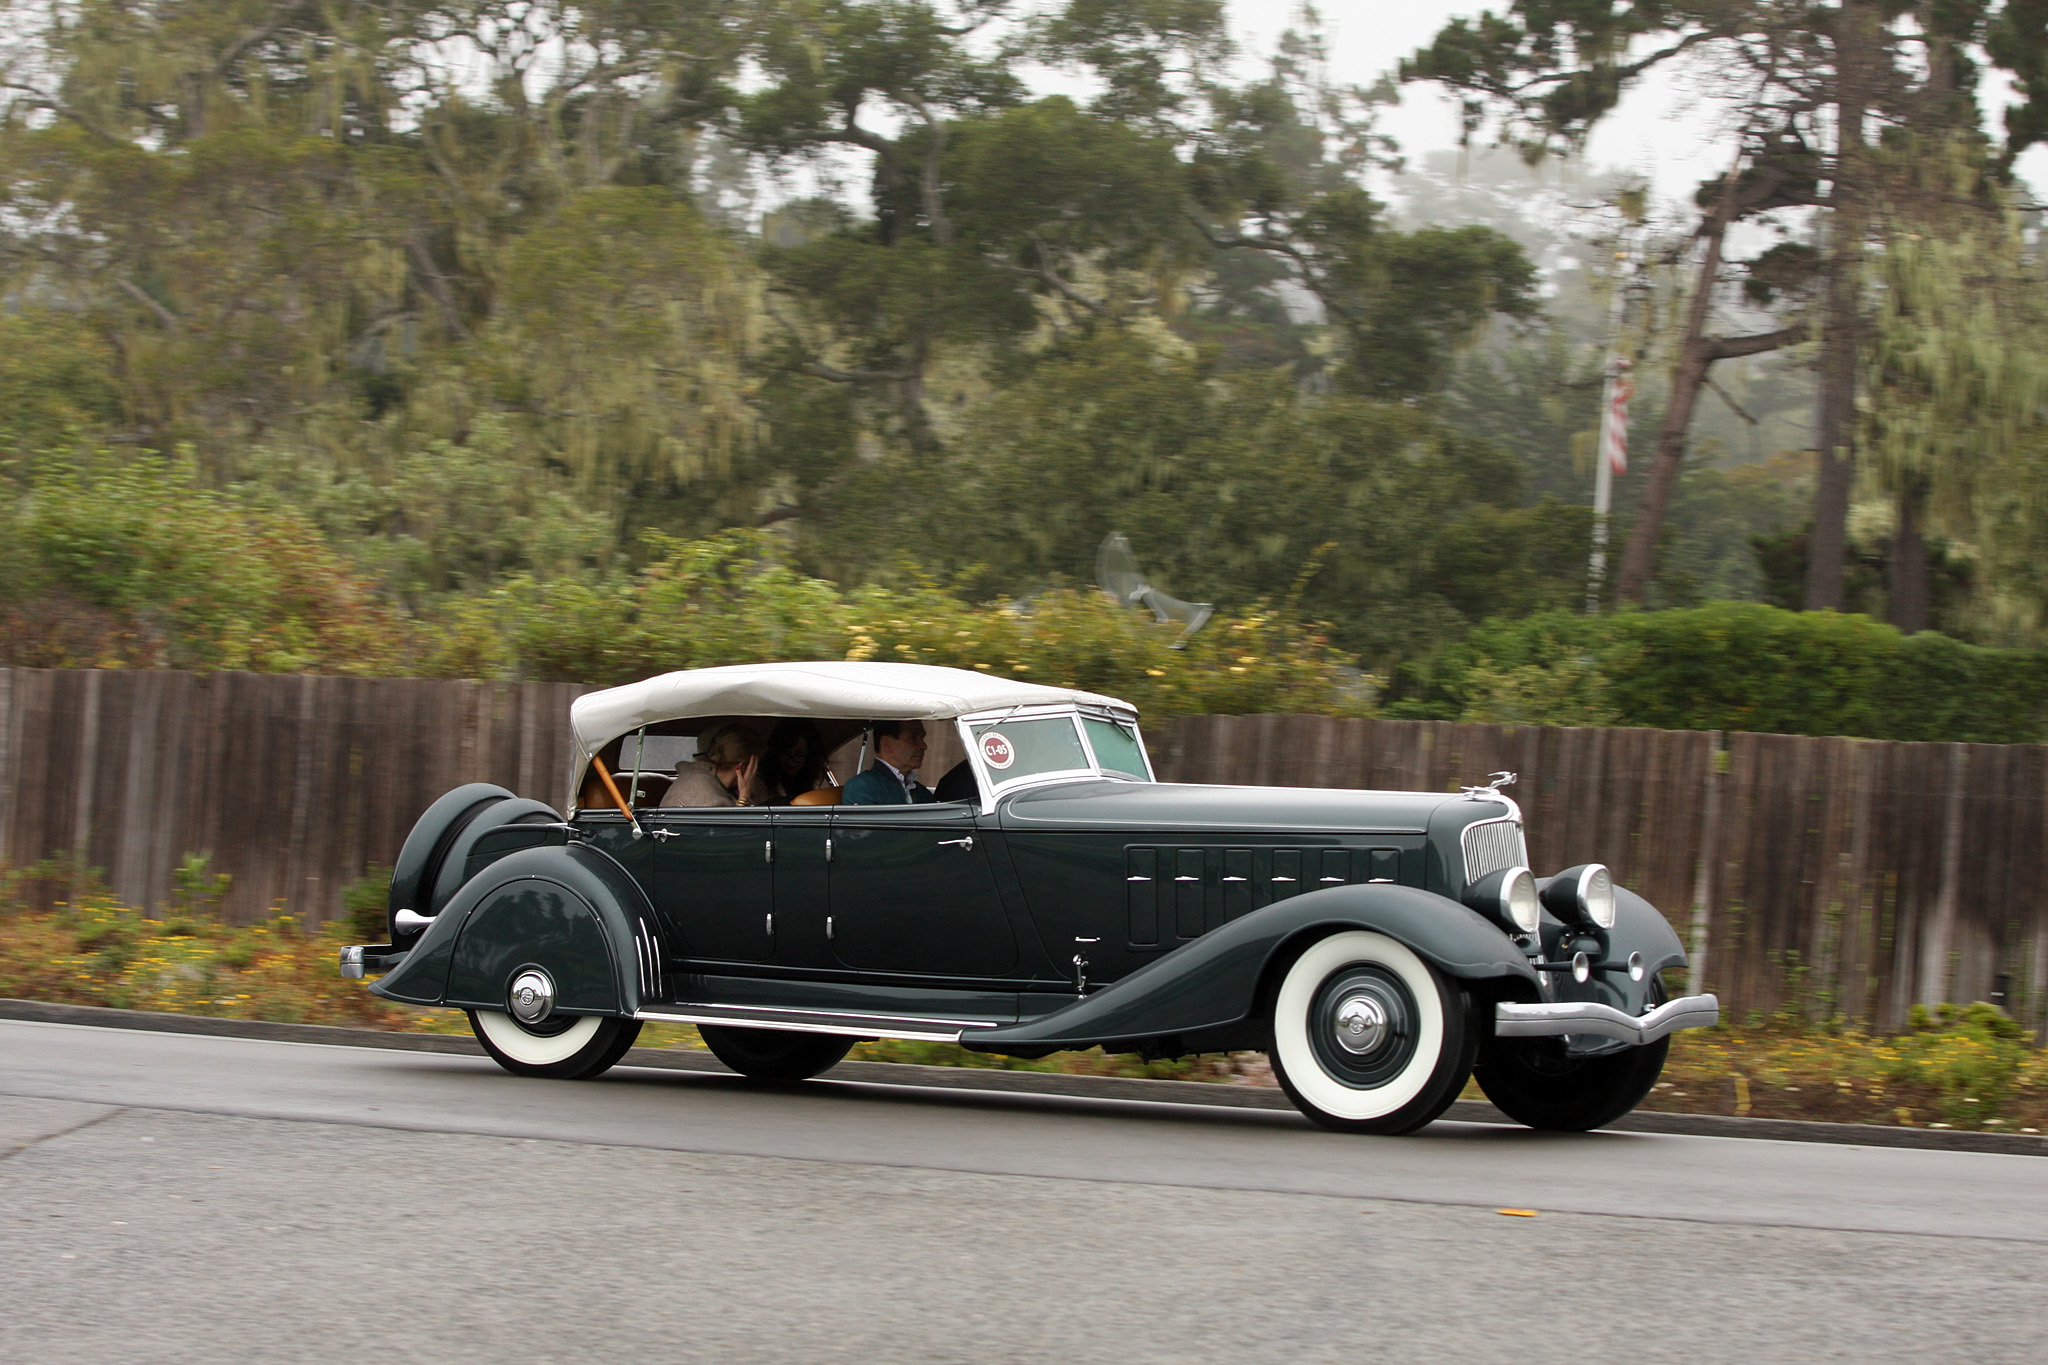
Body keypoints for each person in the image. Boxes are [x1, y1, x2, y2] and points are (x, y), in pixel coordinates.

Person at [663, 723, 771, 807]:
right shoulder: (698, 790)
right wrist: (744, 798)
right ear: (743, 766)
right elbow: (732, 833)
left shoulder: (725, 787)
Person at [841, 719, 935, 805]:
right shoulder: (861, 787)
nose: (923, 746)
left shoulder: (922, 792)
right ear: (886, 744)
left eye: (922, 738)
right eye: (912, 738)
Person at [763, 718, 832, 803]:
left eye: (799, 754)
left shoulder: (811, 783)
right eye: (785, 753)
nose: (791, 761)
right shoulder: (762, 784)